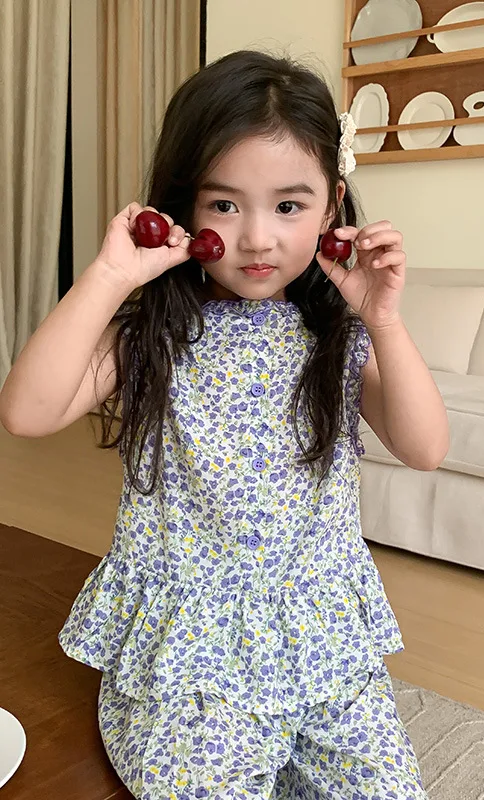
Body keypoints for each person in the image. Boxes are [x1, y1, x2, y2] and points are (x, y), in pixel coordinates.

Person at [0, 50, 449, 799]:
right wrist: (109, 277)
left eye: (289, 206)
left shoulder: (338, 334)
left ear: (332, 206)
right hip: (194, 657)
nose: (258, 239)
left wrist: (385, 321)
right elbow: (25, 413)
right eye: (225, 205)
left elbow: (426, 448)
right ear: (185, 208)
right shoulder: (153, 331)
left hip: (319, 644)